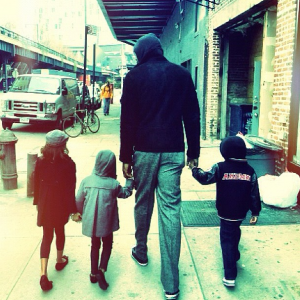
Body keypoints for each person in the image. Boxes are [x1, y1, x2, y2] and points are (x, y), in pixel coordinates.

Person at [119, 33, 200, 300]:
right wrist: (194, 151)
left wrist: (126, 157)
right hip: (174, 151)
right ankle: (171, 283)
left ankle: (141, 251)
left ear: (142, 52)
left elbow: (127, 121)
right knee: (170, 210)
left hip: (143, 150)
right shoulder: (181, 74)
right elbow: (192, 114)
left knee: (143, 203)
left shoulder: (133, 77)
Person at [190, 136, 261, 288]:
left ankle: (230, 275)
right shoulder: (250, 171)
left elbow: (205, 178)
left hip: (225, 211)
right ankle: (234, 254)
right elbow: (254, 193)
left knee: (226, 239)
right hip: (241, 212)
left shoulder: (220, 167)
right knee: (235, 231)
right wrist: (255, 212)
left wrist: (194, 169)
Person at [75, 150, 134, 290]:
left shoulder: (87, 181)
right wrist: (130, 180)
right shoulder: (113, 184)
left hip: (92, 222)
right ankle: (102, 269)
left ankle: (93, 273)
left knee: (95, 245)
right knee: (107, 244)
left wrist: (82, 213)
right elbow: (125, 193)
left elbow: (78, 199)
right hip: (107, 222)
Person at [33, 130, 80, 291]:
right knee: (60, 231)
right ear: (63, 146)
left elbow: (36, 183)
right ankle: (59, 261)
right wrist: (73, 210)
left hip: (45, 203)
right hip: (60, 204)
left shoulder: (40, 161)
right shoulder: (69, 163)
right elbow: (70, 189)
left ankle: (43, 274)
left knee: (47, 236)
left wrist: (37, 202)